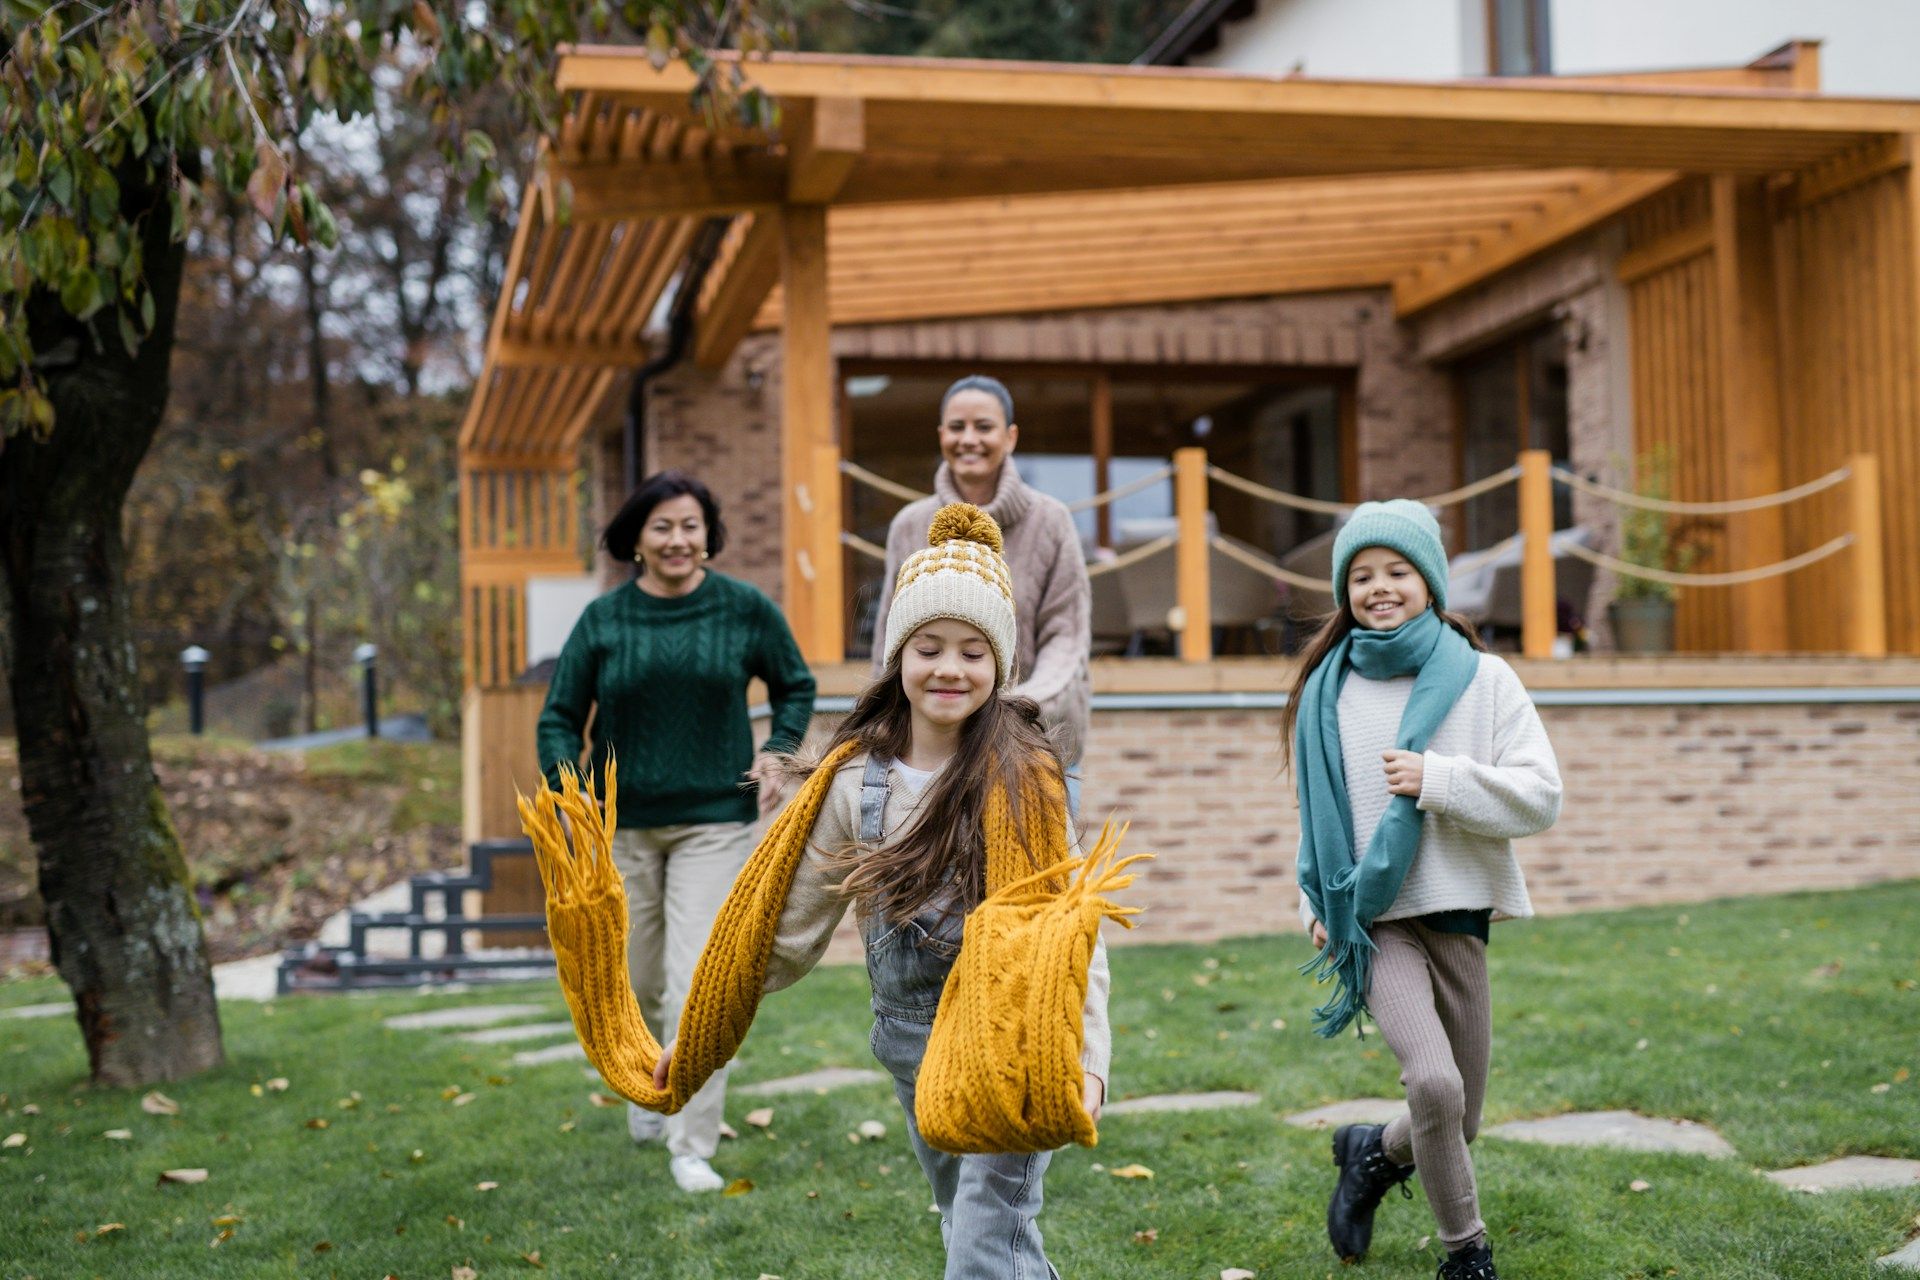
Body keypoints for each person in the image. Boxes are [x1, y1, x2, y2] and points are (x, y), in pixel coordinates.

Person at [655, 502, 1112, 1278]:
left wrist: (1089, 1057)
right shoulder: (851, 784)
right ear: (898, 655)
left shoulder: (1026, 779)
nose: (949, 668)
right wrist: (695, 1037)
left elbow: (1071, 936)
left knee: (979, 1248)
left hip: (1016, 1043)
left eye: (974, 651)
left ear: (999, 665)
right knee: (976, 1229)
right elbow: (782, 932)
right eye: (929, 647)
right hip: (910, 1048)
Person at [1283, 500, 1561, 1280]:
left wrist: (1438, 779)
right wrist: (1316, 905)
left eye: (1396, 572)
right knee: (1432, 1083)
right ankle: (1466, 1255)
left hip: (1458, 913)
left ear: (1429, 582)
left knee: (1457, 1118)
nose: (1378, 588)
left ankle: (1371, 1152)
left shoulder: (1485, 680)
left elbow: (1542, 796)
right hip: (1375, 924)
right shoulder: (1327, 693)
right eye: (1361, 575)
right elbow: (1317, 819)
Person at [537, 470, 816, 1194]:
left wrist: (779, 750)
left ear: (708, 535)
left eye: (690, 525)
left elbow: (796, 684)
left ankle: (690, 1139)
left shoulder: (743, 609)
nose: (678, 539)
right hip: (620, 829)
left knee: (697, 987)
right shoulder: (605, 620)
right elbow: (561, 716)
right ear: (635, 539)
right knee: (630, 981)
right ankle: (642, 1083)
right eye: (662, 526)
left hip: (714, 826)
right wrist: (569, 795)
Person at [873, 375, 1091, 812]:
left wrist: (1008, 706)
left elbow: (1066, 639)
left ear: (1010, 437)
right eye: (956, 427)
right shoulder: (909, 526)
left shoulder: (1051, 521)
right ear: (941, 436)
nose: (968, 439)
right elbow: (890, 642)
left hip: (1035, 740)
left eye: (983, 427)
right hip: (931, 743)